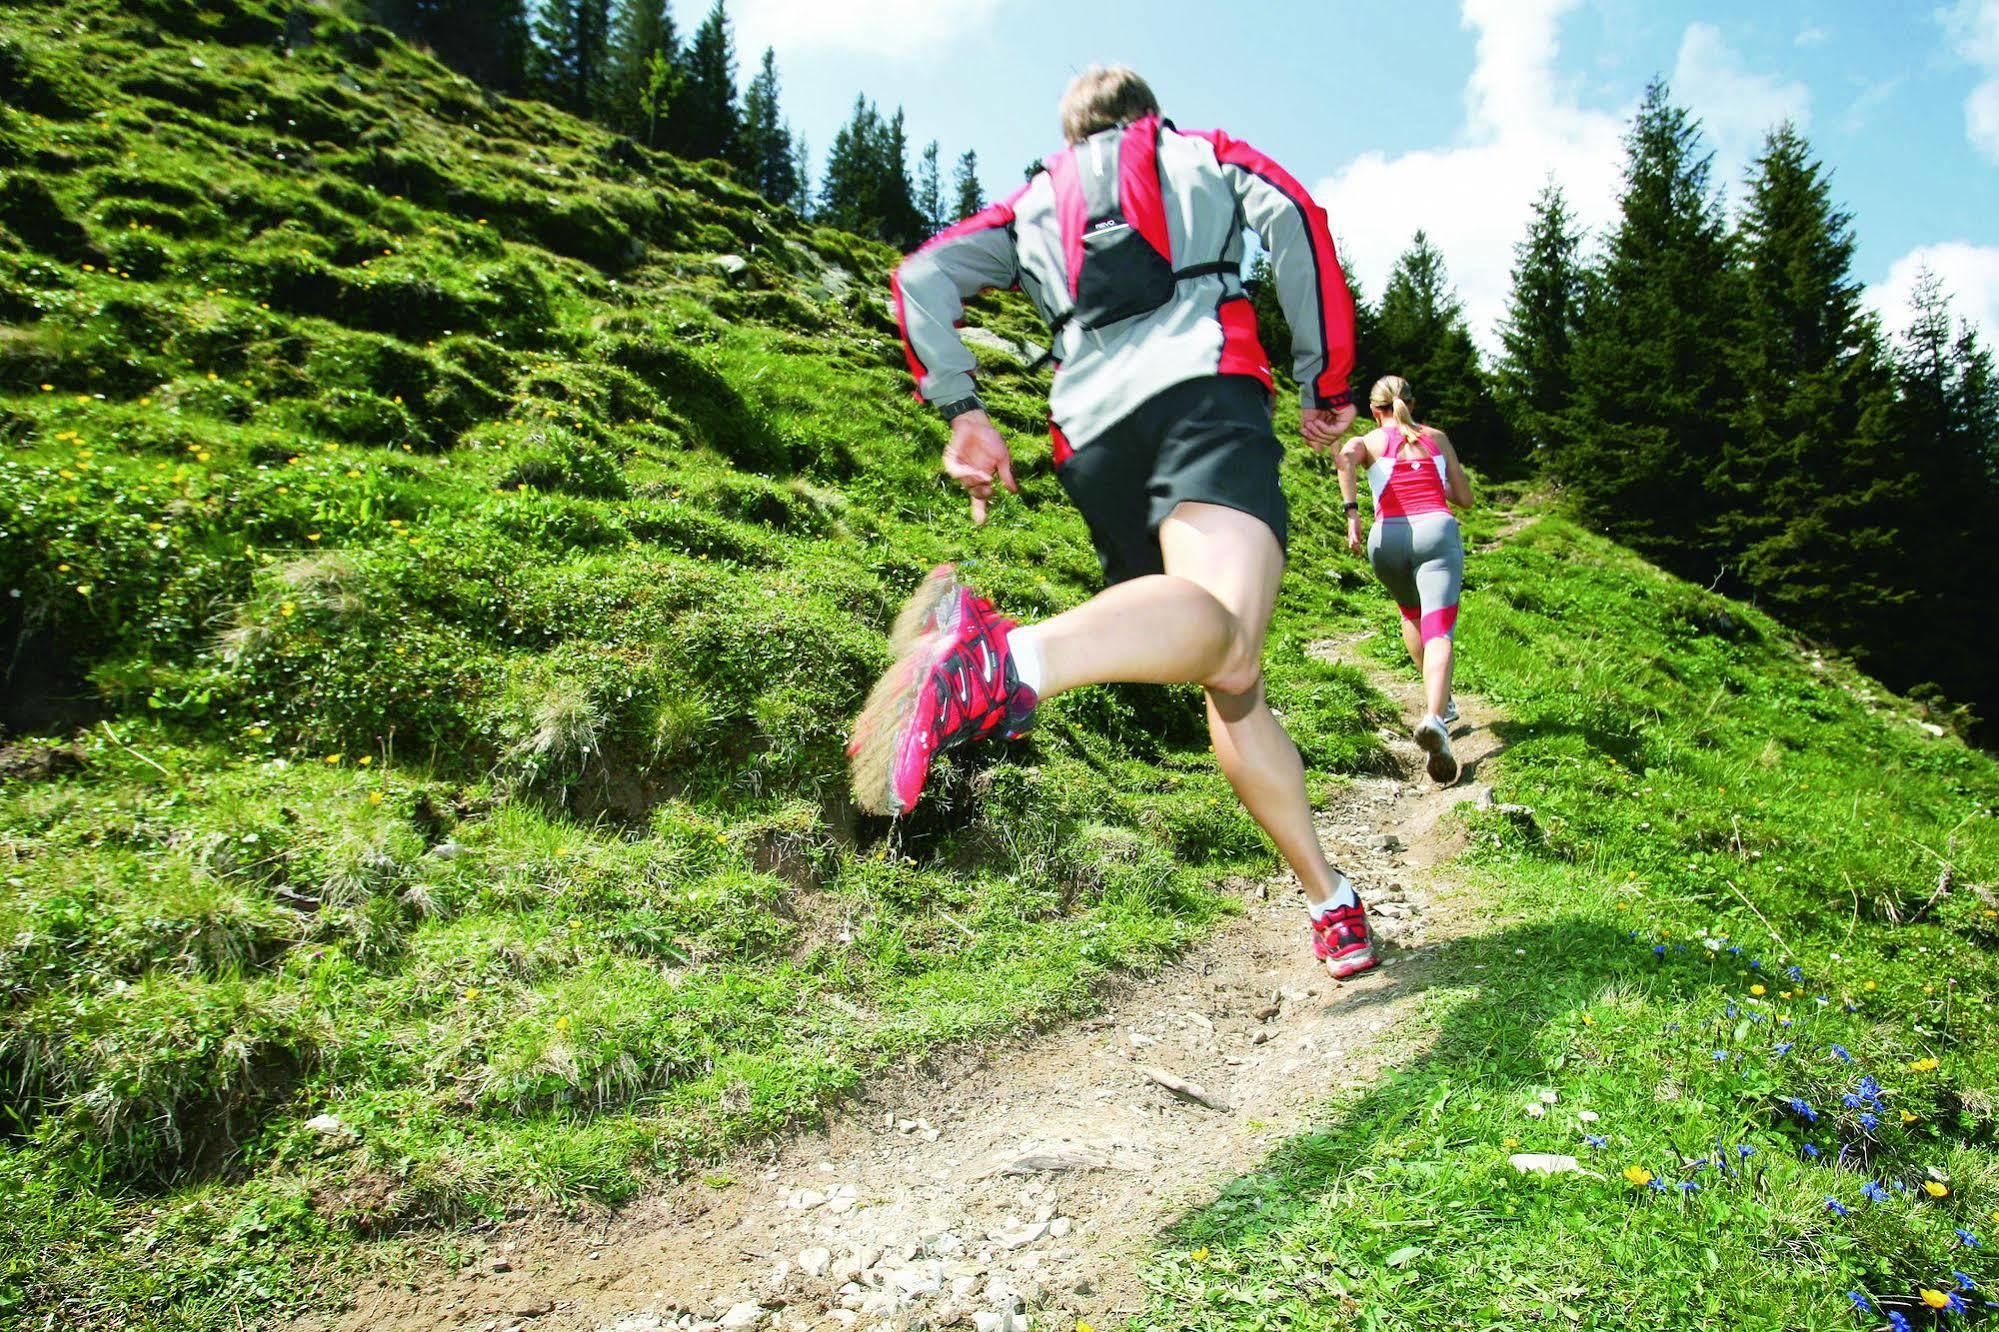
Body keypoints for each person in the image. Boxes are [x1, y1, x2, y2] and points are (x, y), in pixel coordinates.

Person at [848, 65, 1382, 980]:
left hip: (1091, 441)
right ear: (1145, 115)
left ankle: (1328, 898)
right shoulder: (1200, 153)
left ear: (1069, 135)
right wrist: (1326, 382)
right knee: (1230, 646)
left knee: (1228, 673)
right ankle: (998, 661)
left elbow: (920, 277)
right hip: (1203, 396)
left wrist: (962, 409)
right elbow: (1297, 219)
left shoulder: (1029, 204)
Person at [1334, 375, 1474, 785]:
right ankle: (1435, 718)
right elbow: (1465, 498)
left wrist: (1352, 513)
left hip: (1386, 538)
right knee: (1439, 629)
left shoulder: (1369, 442)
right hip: (1435, 532)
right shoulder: (1437, 439)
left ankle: (1443, 703)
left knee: (1411, 613)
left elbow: (1345, 454)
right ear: (1412, 403)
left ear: (1374, 411)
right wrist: (1434, 481)